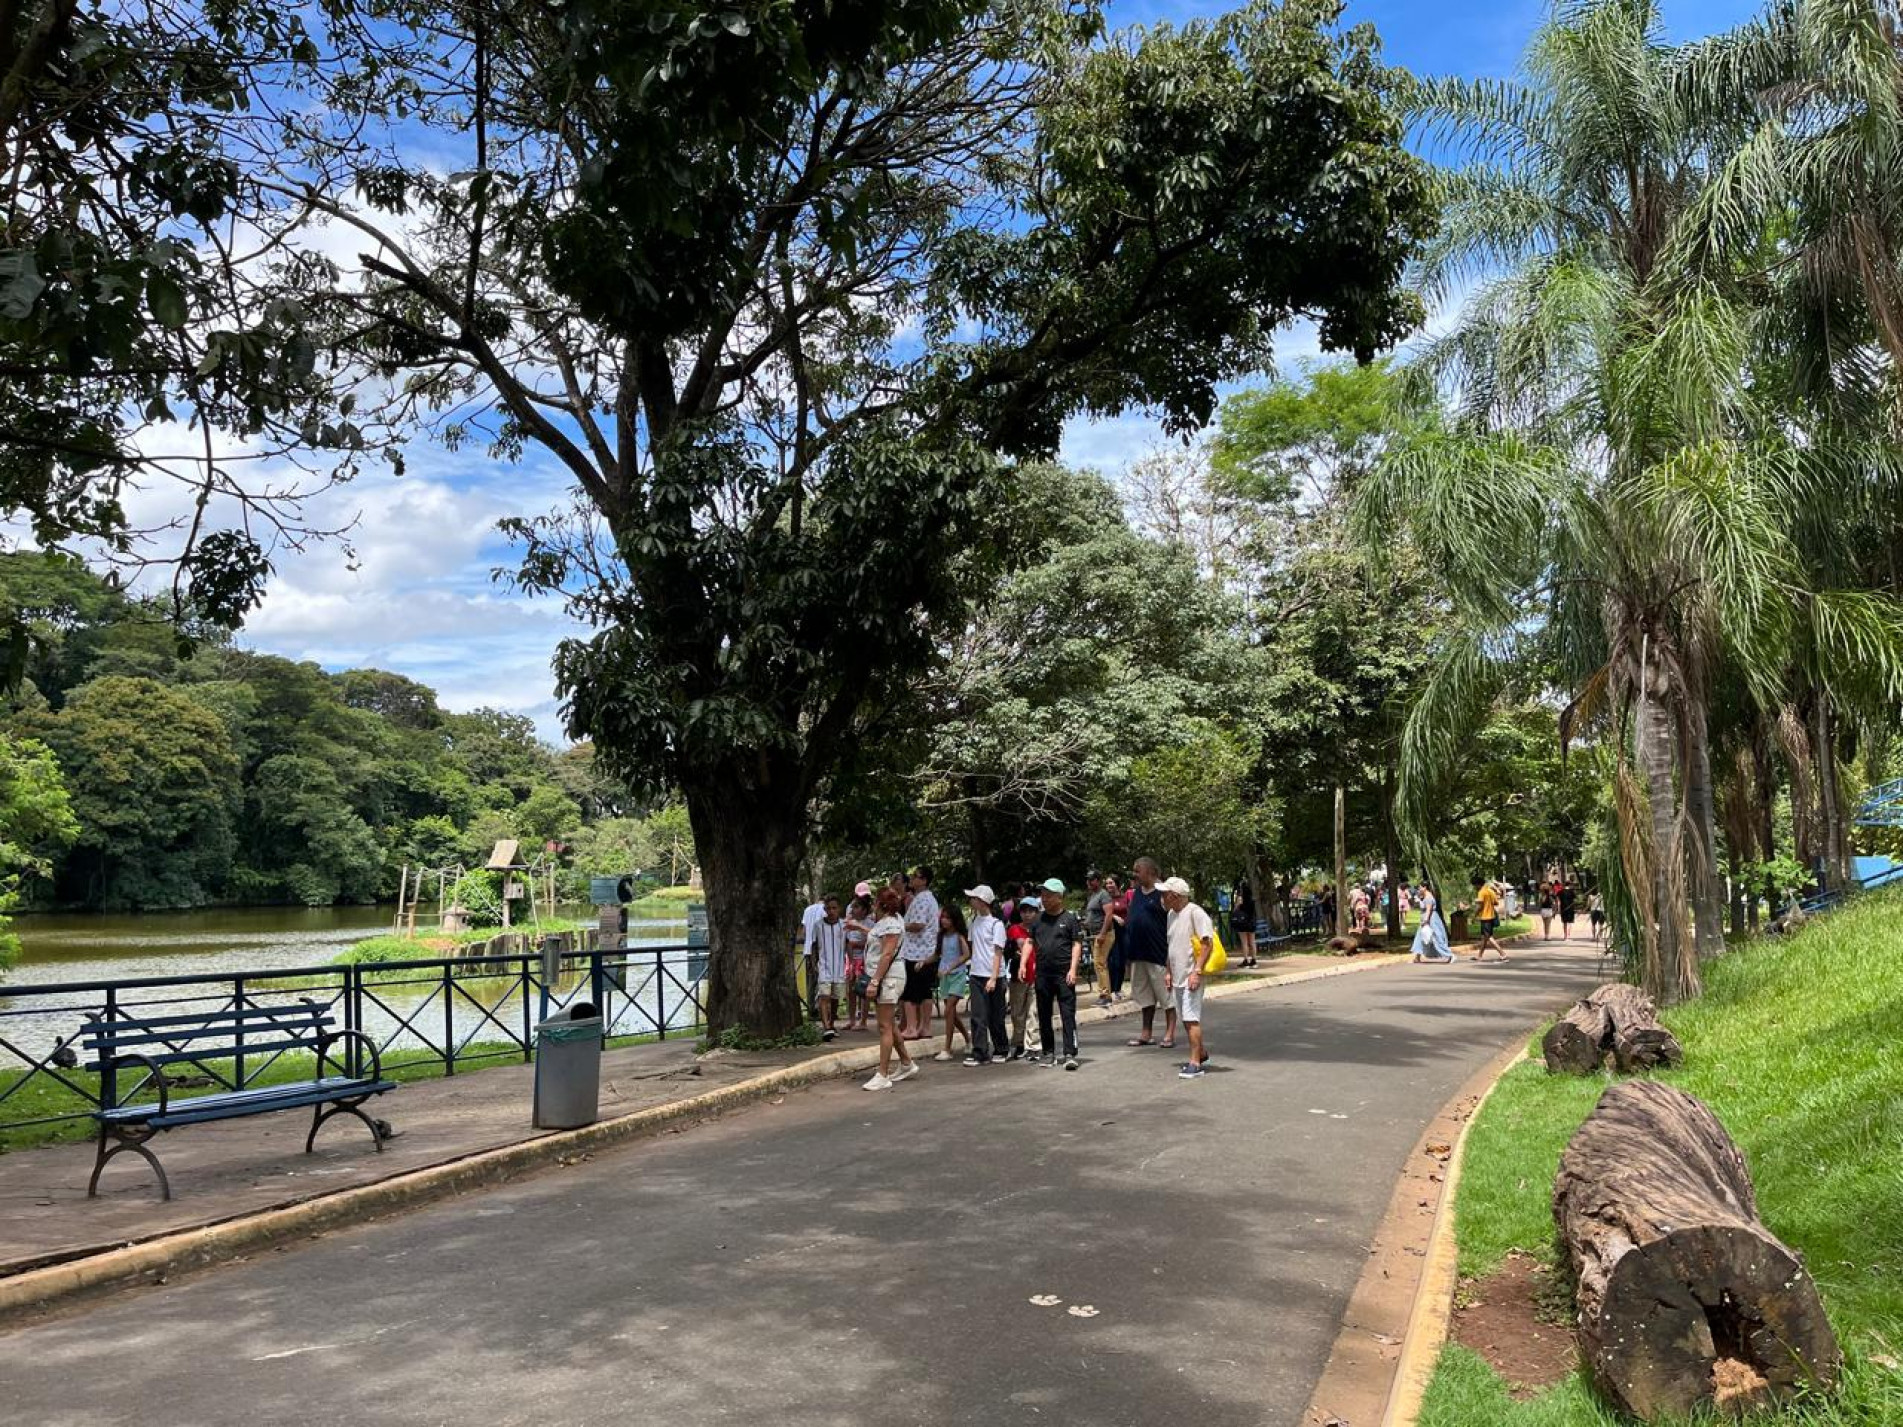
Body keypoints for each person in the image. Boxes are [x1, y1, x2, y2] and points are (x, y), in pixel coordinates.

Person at [863, 888, 919, 1091]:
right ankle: (906, 1062)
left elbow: (887, 954)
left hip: (888, 979)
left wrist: (875, 981)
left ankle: (883, 1073)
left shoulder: (892, 925)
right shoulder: (885, 924)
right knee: (889, 1024)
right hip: (885, 977)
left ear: (880, 904)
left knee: (884, 1027)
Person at [1160, 877, 1214, 1078]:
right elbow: (1171, 946)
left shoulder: (1196, 913)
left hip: (1191, 974)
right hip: (1177, 974)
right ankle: (1200, 1053)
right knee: (1185, 1017)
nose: (1162, 898)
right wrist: (1168, 971)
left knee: (1191, 1018)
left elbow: (1207, 944)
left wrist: (1197, 971)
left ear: (1175, 895)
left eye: (1165, 894)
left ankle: (1195, 1062)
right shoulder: (1171, 916)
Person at [1122, 856, 1177, 1049]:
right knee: (1144, 996)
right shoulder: (1136, 893)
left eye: (1138, 870)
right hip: (1138, 953)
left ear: (1152, 872)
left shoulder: (1163, 893)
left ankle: (1170, 1033)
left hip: (1158, 953)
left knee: (1166, 997)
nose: (1135, 874)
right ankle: (1146, 1033)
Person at [1030, 877, 1084, 1069]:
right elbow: (1031, 942)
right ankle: (1048, 1052)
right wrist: (1024, 964)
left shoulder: (1069, 919)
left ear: (1059, 897)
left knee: (1067, 1013)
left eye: (1048, 895)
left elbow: (1076, 943)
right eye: (1042, 895)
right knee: (1044, 1014)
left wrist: (1072, 969)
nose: (1044, 899)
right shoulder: (1038, 920)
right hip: (1043, 974)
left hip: (1063, 973)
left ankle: (1070, 1052)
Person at [963, 886, 1008, 1065]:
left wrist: (993, 977)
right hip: (976, 973)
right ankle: (980, 1051)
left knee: (996, 1015)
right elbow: (974, 948)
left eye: (974, 898)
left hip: (993, 974)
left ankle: (1001, 1048)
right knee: (978, 1015)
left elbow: (998, 952)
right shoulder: (974, 922)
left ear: (982, 901)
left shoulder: (996, 925)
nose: (971, 901)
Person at [899, 865, 940, 1041]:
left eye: (915, 876)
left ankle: (911, 1027)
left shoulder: (923, 899)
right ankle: (925, 1027)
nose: (912, 879)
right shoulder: (925, 899)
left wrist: (900, 925)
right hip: (925, 950)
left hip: (916, 952)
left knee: (910, 991)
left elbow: (918, 924)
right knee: (925, 992)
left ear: (923, 880)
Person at [934, 901, 971, 1062]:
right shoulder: (941, 936)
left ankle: (947, 1048)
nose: (944, 920)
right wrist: (923, 962)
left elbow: (966, 954)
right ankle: (968, 1038)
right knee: (951, 1013)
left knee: (949, 1009)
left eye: (947, 918)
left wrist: (951, 966)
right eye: (943, 917)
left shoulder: (959, 936)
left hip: (957, 975)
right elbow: (937, 955)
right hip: (945, 976)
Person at [1006, 896, 1039, 1059]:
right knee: (1017, 1012)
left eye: (1031, 911)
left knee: (1033, 1011)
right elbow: (1007, 951)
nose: (1027, 915)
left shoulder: (1040, 929)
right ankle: (1018, 1043)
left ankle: (1033, 1044)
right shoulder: (1013, 930)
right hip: (1018, 976)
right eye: (1024, 911)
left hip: (1036, 975)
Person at [812, 895, 848, 1038]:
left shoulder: (844, 925)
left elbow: (849, 945)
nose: (831, 911)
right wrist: (813, 963)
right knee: (824, 995)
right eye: (828, 908)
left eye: (834, 908)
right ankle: (826, 1026)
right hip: (824, 966)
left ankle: (832, 1023)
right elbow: (814, 945)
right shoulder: (818, 925)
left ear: (839, 909)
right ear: (825, 909)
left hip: (839, 966)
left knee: (835, 998)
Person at [842, 891, 873, 1031]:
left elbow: (872, 941)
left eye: (856, 907)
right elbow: (846, 941)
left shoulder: (869, 924)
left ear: (864, 910)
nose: (853, 910)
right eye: (852, 907)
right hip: (851, 959)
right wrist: (850, 956)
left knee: (863, 989)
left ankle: (863, 1020)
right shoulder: (848, 924)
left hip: (864, 959)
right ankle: (851, 1019)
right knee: (850, 990)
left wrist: (857, 945)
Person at [1083, 872, 1114, 1007]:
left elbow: (1109, 914)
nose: (1089, 882)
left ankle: (1105, 995)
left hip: (1104, 934)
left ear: (1098, 880)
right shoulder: (1092, 896)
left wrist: (1102, 933)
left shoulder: (1103, 895)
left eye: (1091, 880)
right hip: (1094, 933)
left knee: (1099, 963)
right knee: (1098, 963)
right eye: (1088, 880)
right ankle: (1104, 993)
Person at [799, 894, 827, 1019]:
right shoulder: (825, 910)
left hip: (808, 949)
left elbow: (804, 931)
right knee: (824, 980)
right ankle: (823, 1011)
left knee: (811, 981)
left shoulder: (808, 909)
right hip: (821, 950)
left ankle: (811, 1010)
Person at [1410, 883, 1452, 963]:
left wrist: (1426, 921)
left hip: (1431, 920)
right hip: (1425, 919)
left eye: (1420, 887)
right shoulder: (1424, 896)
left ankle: (1448, 954)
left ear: (1425, 887)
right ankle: (1417, 957)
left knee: (1437, 937)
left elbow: (1429, 910)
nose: (1419, 889)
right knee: (1420, 937)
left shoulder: (1429, 897)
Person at [1470, 875, 1508, 962]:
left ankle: (1502, 953)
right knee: (1484, 937)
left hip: (1485, 917)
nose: (1475, 888)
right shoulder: (1490, 891)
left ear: (1478, 884)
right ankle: (1479, 956)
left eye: (1475, 886)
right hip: (1491, 916)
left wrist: (1474, 916)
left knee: (1489, 937)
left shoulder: (1482, 892)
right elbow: (1496, 903)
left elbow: (1479, 906)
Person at [1233, 879, 1259, 968]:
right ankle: (1254, 961)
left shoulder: (1241, 900)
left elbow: (1235, 910)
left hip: (1242, 923)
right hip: (1251, 923)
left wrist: (1237, 905)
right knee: (1252, 942)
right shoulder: (1252, 901)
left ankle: (1246, 960)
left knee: (1244, 942)